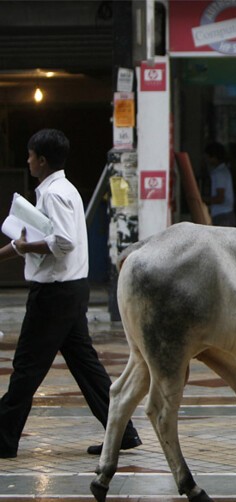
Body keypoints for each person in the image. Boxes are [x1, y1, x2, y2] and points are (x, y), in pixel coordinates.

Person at [0, 129, 141, 459]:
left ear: (43, 160)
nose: (28, 160)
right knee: (85, 366)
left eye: (31, 155)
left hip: (54, 295)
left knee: (26, 368)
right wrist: (14, 249)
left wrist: (25, 246)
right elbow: (39, 239)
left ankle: (3, 440)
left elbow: (62, 242)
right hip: (69, 293)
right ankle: (123, 433)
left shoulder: (55, 194)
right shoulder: (63, 190)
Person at [203, 141, 236, 227]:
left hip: (223, 215)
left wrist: (202, 200)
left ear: (213, 157)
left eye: (207, 157)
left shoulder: (219, 173)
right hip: (225, 214)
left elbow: (220, 198)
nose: (206, 160)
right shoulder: (223, 171)